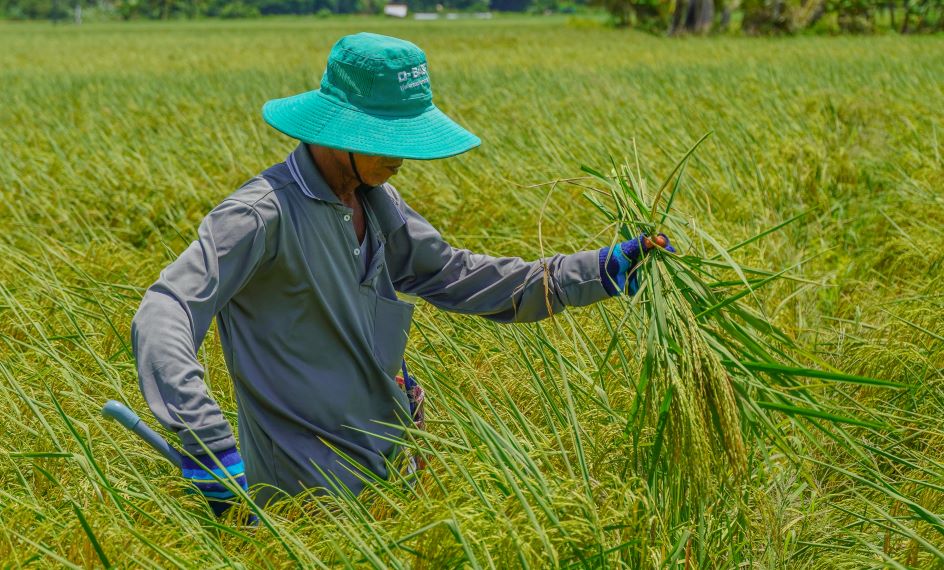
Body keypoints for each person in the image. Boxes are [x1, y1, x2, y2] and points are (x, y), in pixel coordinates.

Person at [131, 32, 673, 516]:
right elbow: (166, 309)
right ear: (338, 129)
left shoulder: (380, 204)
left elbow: (467, 278)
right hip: (303, 504)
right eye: (389, 138)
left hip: (392, 478)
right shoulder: (260, 216)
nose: (403, 158)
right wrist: (209, 444)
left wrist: (602, 270)